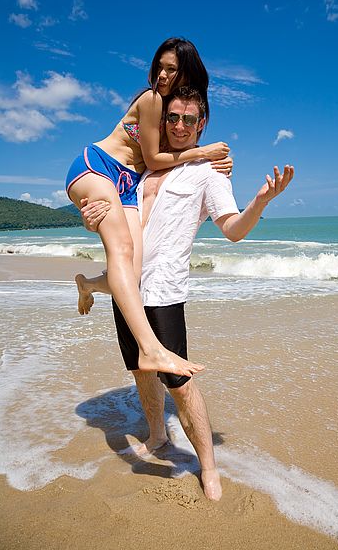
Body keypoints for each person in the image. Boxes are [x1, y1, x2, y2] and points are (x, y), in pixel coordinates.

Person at [81, 86, 294, 501]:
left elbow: (232, 229)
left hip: (163, 289)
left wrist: (261, 203)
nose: (179, 126)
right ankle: (159, 434)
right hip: (126, 287)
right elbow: (110, 217)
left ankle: (208, 466)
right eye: (172, 118)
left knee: (178, 381)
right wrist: (91, 218)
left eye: (188, 119)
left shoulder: (209, 173)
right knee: (140, 369)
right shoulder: (138, 169)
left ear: (203, 124)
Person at [65, 38, 232, 377]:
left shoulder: (176, 110)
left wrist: (216, 162)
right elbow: (156, 159)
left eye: (172, 68)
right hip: (98, 168)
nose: (163, 74)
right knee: (123, 250)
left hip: (128, 185)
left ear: (187, 72)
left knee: (133, 272)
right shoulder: (152, 99)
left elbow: (176, 155)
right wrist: (205, 152)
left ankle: (88, 284)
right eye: (160, 66)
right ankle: (150, 349)